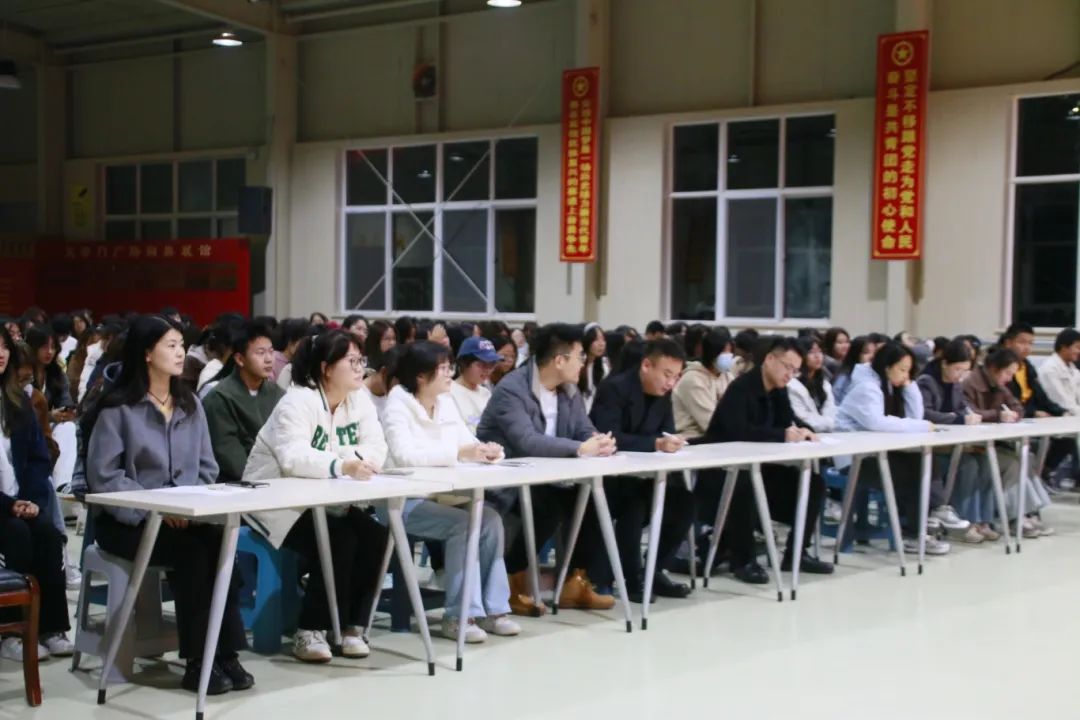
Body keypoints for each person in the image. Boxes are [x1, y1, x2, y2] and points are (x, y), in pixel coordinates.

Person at [85, 316, 252, 695]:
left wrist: (188, 505)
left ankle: (225, 653)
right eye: (171, 346)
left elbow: (207, 468)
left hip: (185, 517)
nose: (180, 353)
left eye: (181, 345)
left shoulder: (190, 405)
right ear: (147, 353)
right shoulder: (118, 408)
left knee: (221, 545)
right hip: (127, 522)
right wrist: (158, 510)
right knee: (193, 554)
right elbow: (106, 478)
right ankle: (198, 662)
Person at [242, 329, 390, 662]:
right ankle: (311, 629)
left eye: (361, 360)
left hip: (328, 498)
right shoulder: (298, 400)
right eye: (351, 361)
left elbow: (377, 447)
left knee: (376, 537)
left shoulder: (359, 399)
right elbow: (293, 457)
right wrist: (342, 464)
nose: (360, 368)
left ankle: (351, 626)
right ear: (326, 368)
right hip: (276, 502)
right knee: (339, 539)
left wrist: (351, 462)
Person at [381, 342, 520, 643]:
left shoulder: (445, 401)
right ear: (421, 375)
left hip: (441, 496)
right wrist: (459, 453)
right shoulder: (397, 403)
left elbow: (467, 442)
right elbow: (405, 456)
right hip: (402, 501)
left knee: (491, 520)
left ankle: (493, 610)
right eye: (442, 368)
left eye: (449, 367)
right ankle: (459, 615)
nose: (449, 374)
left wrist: (487, 451)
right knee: (463, 525)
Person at [476, 323, 618, 616]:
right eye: (579, 356)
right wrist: (581, 448)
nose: (583, 362)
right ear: (560, 360)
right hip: (506, 482)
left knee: (593, 496)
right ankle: (512, 581)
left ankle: (575, 581)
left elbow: (583, 429)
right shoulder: (512, 389)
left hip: (548, 479)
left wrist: (598, 441)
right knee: (548, 504)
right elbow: (527, 441)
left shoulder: (569, 390)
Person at [701, 336, 833, 583]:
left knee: (813, 485)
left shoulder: (779, 390)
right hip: (723, 472)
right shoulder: (741, 388)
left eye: (795, 370)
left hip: (760, 468)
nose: (790, 375)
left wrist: (804, 430)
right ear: (770, 359)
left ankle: (796, 554)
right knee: (747, 486)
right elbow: (737, 431)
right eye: (787, 367)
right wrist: (781, 435)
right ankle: (743, 561)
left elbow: (788, 421)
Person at [589, 338, 696, 601]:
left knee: (686, 503)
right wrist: (656, 444)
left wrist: (671, 441)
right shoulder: (614, 388)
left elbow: (666, 431)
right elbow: (609, 436)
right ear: (646, 365)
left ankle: (654, 569)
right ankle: (633, 577)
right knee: (634, 503)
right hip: (608, 479)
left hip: (644, 476)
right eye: (667, 374)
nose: (671, 383)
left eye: (676, 376)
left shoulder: (664, 394)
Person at [0, 325, 74, 663]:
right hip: (4, 508)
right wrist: (10, 505)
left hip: (21, 501)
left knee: (47, 533)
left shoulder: (18, 402)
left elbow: (37, 458)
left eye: (4, 347)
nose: (1, 354)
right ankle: (11, 632)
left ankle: (51, 628)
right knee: (15, 533)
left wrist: (28, 500)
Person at [836, 342, 951, 555]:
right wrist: (921, 426)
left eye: (909, 371)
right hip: (853, 459)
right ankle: (917, 528)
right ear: (886, 367)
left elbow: (915, 416)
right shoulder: (867, 388)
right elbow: (877, 423)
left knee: (921, 460)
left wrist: (909, 386)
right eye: (902, 369)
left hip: (876, 454)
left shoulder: (890, 386)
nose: (905, 375)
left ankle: (929, 517)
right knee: (912, 472)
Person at [962, 347, 1054, 538]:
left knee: (1025, 458)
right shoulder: (970, 383)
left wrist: (1013, 414)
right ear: (994, 368)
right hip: (971, 447)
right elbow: (969, 412)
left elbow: (1017, 407)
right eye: (1007, 373)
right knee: (1012, 464)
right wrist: (998, 415)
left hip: (990, 444)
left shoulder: (998, 384)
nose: (1010, 378)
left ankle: (1026, 513)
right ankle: (1015, 517)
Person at [917, 338, 997, 543]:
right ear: (945, 363)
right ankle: (966, 522)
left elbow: (962, 407)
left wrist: (970, 415)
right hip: (931, 448)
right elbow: (925, 413)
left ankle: (983, 521)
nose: (960, 375)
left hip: (951, 444)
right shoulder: (926, 381)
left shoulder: (955, 384)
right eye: (957, 369)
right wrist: (958, 419)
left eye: (965, 371)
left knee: (986, 462)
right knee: (967, 465)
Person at [202, 323, 285, 486]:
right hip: (237, 485)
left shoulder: (278, 394)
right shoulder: (220, 397)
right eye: (260, 353)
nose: (269, 359)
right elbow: (229, 455)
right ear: (240, 359)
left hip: (278, 481)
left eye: (271, 351)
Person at [1032, 328, 1080, 487]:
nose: (1079, 352)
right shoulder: (1050, 369)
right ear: (1064, 347)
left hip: (1072, 416)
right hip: (1055, 415)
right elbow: (1061, 401)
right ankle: (1045, 472)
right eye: (1077, 347)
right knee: (1069, 438)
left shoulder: (1073, 370)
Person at [672, 328, 733, 440]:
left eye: (730, 352)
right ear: (712, 353)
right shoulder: (693, 380)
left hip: (719, 437)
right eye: (724, 352)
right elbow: (710, 424)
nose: (728, 356)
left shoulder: (727, 377)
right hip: (692, 439)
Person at [450, 337, 500, 435]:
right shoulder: (449, 393)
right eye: (482, 364)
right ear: (464, 363)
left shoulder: (486, 393)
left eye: (491, 365)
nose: (487, 370)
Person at [787, 336, 838, 433]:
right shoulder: (792, 385)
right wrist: (828, 423)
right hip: (803, 433)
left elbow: (831, 411)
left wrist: (829, 423)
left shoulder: (824, 383)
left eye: (820, 351)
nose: (817, 356)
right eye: (811, 352)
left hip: (827, 433)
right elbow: (801, 418)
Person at [578, 323, 611, 413]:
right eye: (596, 339)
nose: (601, 344)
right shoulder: (577, 366)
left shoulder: (603, 367)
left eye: (603, 339)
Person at [831, 334, 873, 405]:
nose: (872, 356)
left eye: (875, 352)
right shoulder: (845, 378)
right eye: (866, 352)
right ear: (856, 354)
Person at [272, 318, 311, 384]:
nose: (306, 346)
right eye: (303, 341)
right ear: (290, 342)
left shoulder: (303, 362)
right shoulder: (273, 360)